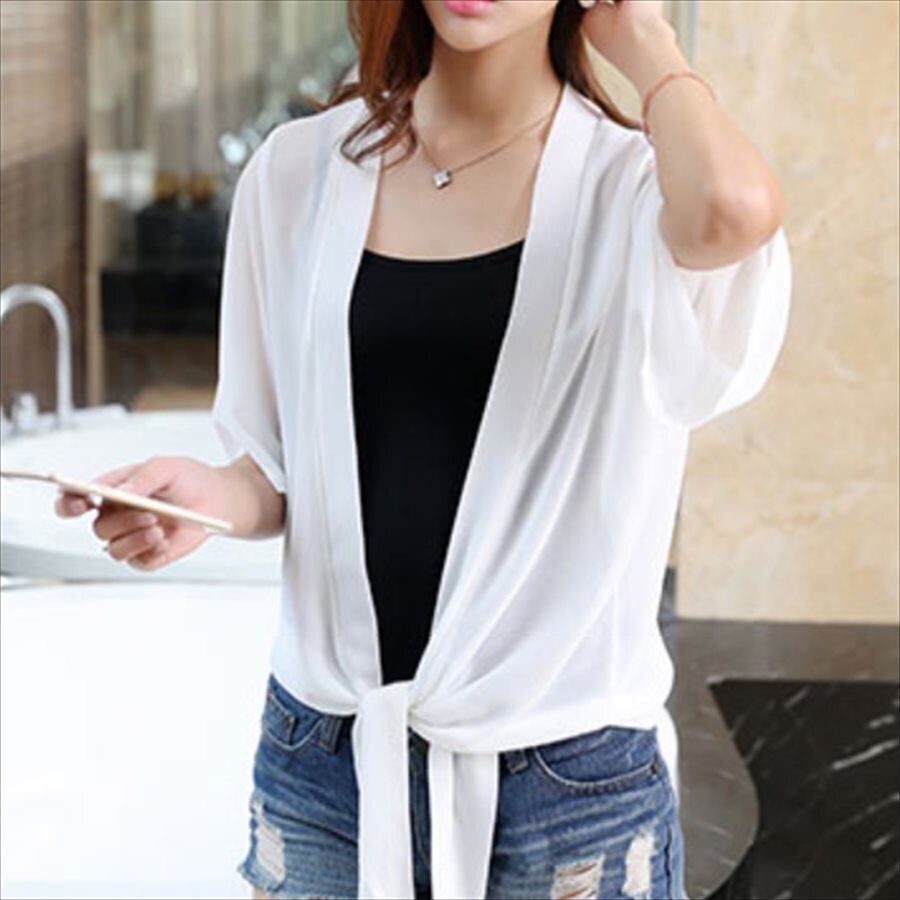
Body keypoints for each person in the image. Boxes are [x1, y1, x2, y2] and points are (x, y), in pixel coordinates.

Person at [56, 1, 791, 897]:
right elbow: (276, 464)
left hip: (565, 789)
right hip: (321, 764)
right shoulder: (295, 172)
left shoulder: (634, 189)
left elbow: (732, 213)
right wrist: (211, 497)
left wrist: (644, 39)